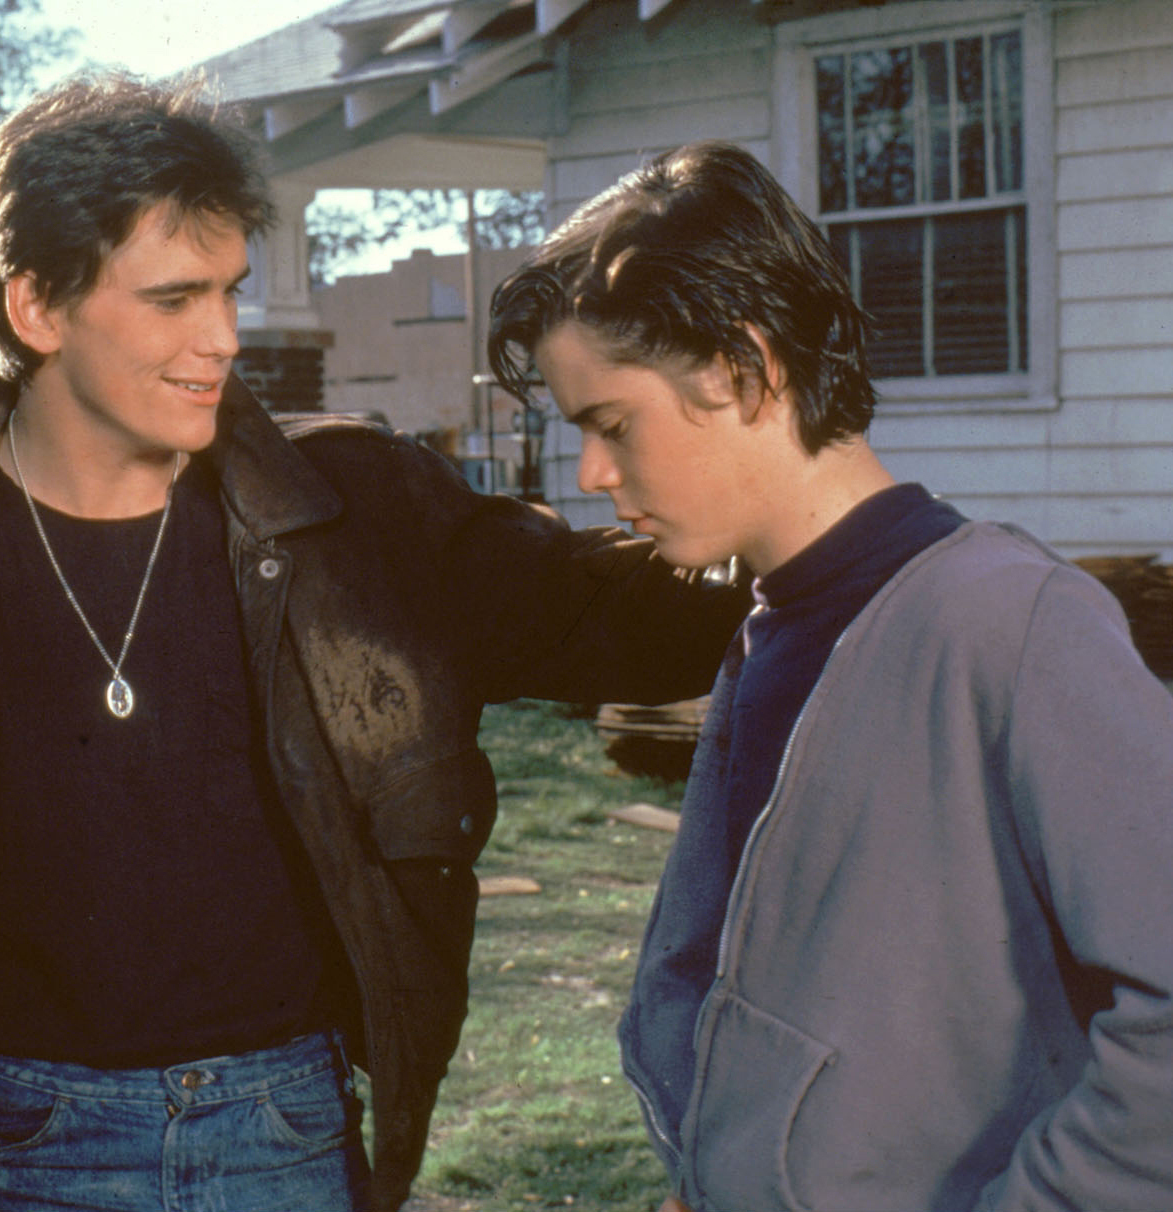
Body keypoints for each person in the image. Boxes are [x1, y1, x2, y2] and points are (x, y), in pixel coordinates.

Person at [0, 73, 747, 1212]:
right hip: (14, 1137)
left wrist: (775, 460)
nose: (222, 339)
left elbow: (646, 622)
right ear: (35, 308)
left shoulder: (354, 513)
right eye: (172, 299)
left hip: (288, 1126)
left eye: (228, 292)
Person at [487, 140, 1173, 1212]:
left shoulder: (1010, 622)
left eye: (611, 424)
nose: (591, 474)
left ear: (742, 367)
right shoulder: (774, 625)